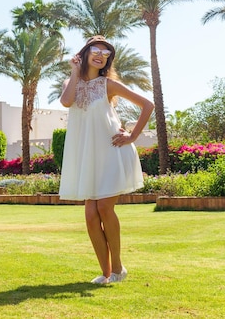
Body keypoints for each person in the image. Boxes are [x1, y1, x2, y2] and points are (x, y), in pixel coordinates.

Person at [59, 35, 154, 285]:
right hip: (90, 156)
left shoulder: (108, 85)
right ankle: (106, 272)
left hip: (113, 151)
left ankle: (119, 268)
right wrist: (73, 70)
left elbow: (147, 104)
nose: (101, 55)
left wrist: (132, 136)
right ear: (86, 53)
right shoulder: (72, 82)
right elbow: (67, 101)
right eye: (96, 50)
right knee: (90, 215)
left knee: (104, 208)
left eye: (106, 53)